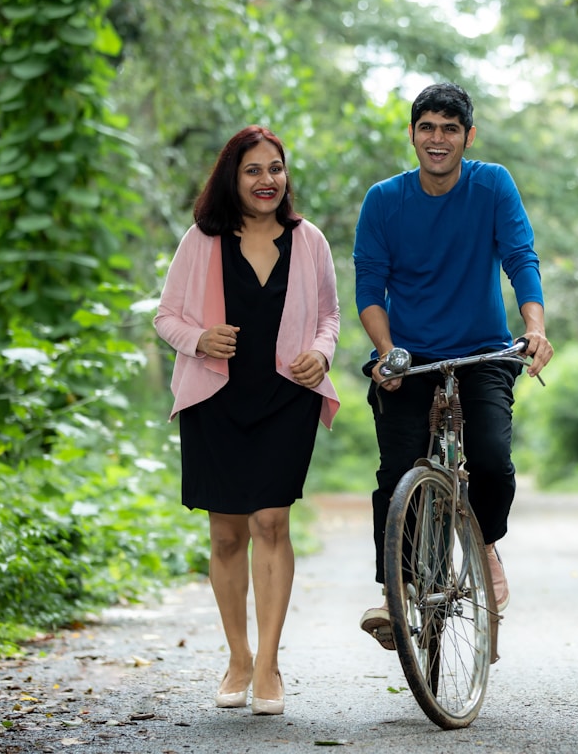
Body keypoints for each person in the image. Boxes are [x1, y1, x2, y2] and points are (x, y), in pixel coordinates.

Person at [352, 82, 554, 649]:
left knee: (491, 458)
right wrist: (387, 351)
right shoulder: (384, 200)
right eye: (427, 127)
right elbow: (370, 283)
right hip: (409, 357)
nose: (437, 139)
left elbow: (520, 258)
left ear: (468, 135)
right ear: (413, 134)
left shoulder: (492, 185)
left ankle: (485, 540)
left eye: (449, 128)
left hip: (483, 351)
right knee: (397, 475)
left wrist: (534, 328)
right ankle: (398, 596)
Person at [154, 126, 341, 716]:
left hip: (287, 395)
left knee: (271, 521)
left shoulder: (308, 240)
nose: (267, 180)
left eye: (276, 168)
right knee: (227, 532)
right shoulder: (201, 240)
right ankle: (237, 656)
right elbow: (166, 317)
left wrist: (323, 353)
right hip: (217, 398)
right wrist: (200, 337)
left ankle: (268, 665)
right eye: (254, 170)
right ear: (232, 178)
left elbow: (330, 317)